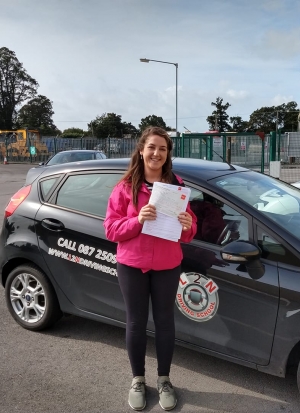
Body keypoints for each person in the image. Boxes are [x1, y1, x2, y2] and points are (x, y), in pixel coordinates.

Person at [103, 126, 197, 412]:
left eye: (163, 149)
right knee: (135, 322)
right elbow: (110, 230)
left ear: (168, 154)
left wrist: (187, 225)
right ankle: (138, 380)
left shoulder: (176, 187)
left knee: (166, 322)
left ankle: (165, 379)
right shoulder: (124, 188)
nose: (157, 153)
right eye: (152, 147)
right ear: (141, 150)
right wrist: (137, 220)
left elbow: (189, 231)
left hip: (168, 265)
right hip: (133, 266)